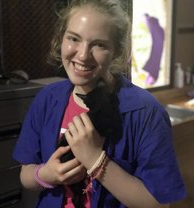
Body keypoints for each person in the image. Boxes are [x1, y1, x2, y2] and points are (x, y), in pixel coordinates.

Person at [12, 0, 186, 207]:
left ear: (117, 52)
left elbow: (158, 203)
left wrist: (96, 160)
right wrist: (47, 174)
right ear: (60, 40)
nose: (83, 55)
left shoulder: (146, 112)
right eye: (74, 39)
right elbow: (26, 175)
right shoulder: (47, 99)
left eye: (99, 44)